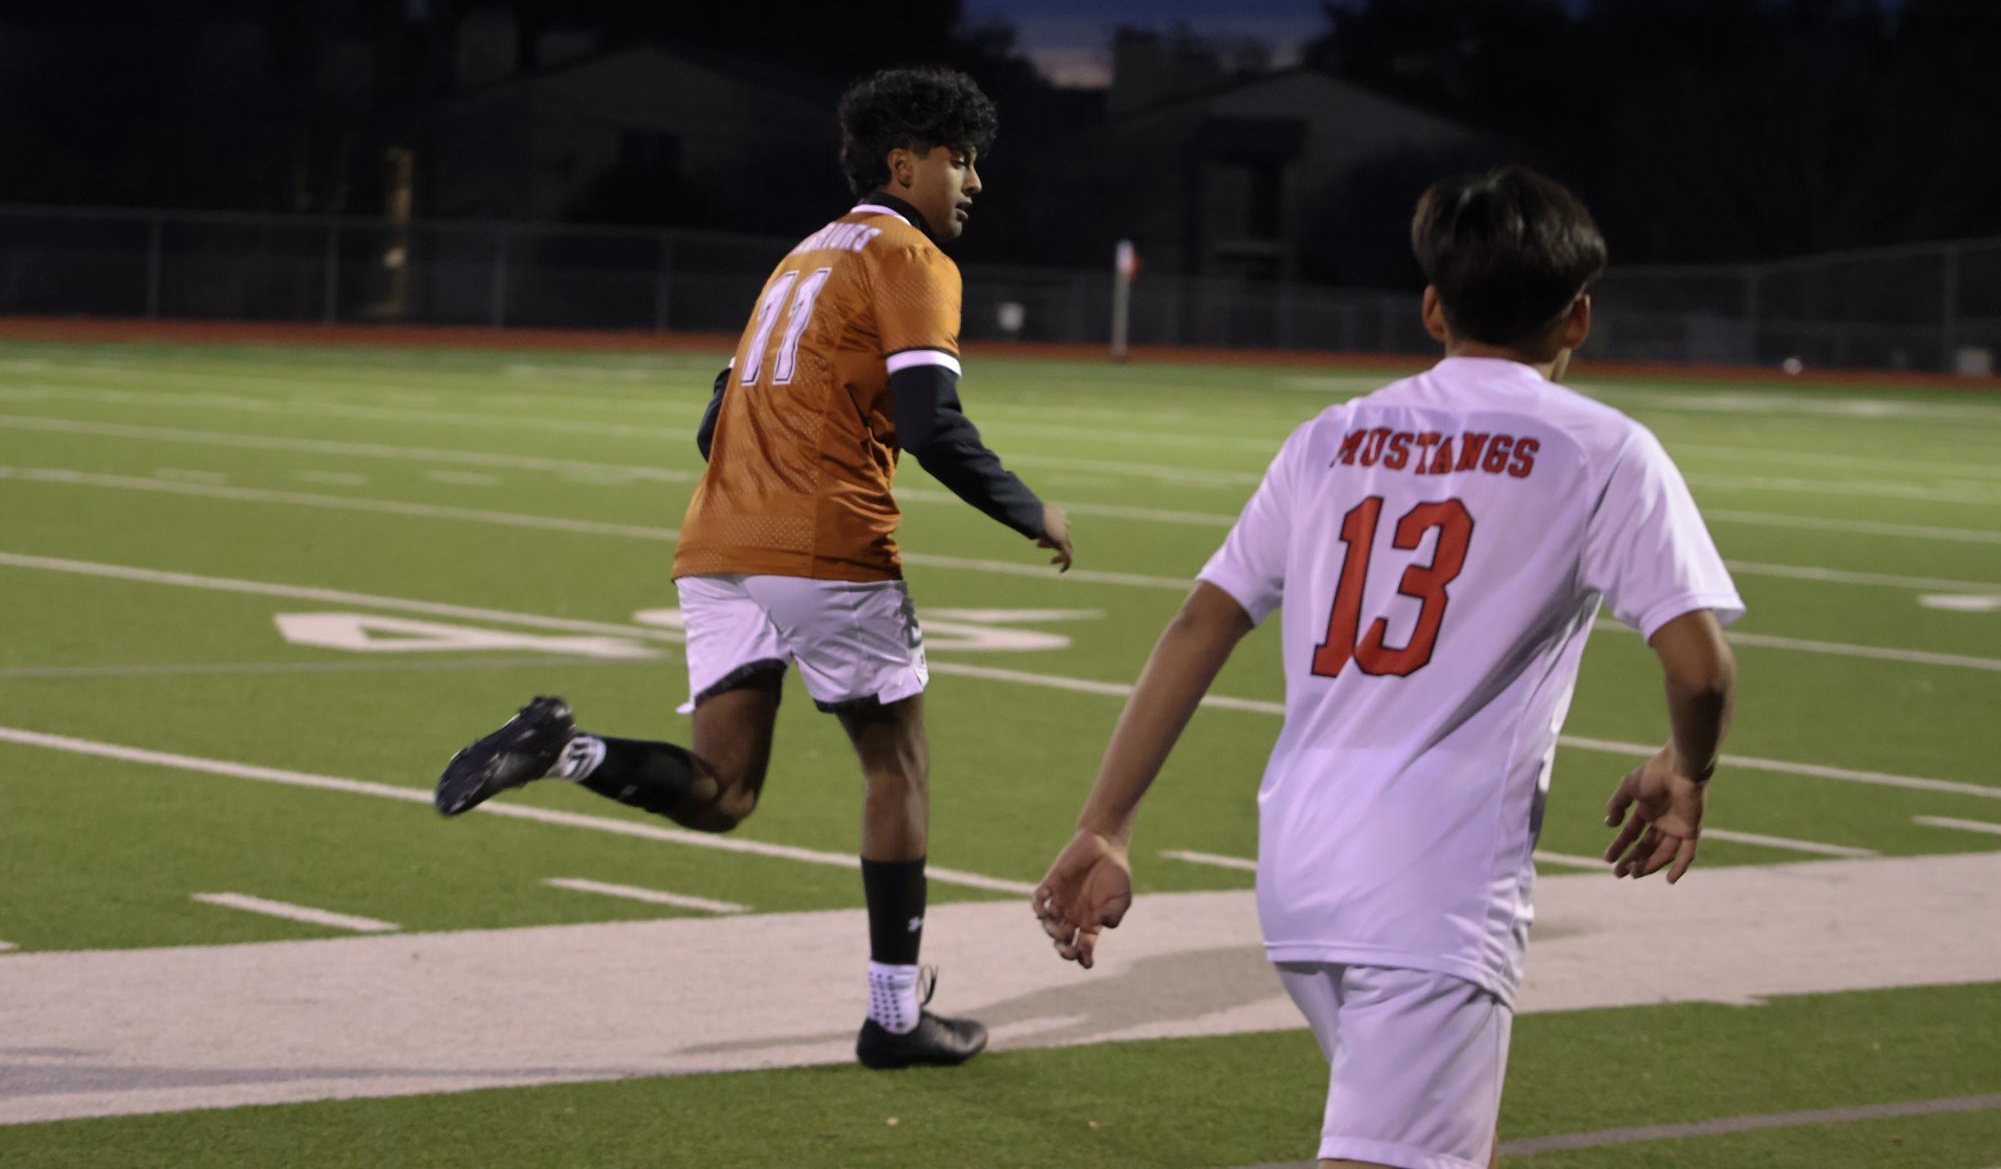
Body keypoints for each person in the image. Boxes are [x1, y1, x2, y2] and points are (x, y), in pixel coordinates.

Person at [1032, 166, 1741, 1169]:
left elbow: (1199, 624)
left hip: (1300, 870)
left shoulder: (1331, 436)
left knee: (1453, 1145)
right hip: (1432, 881)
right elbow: (1701, 669)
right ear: (1578, 318)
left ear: (1431, 306)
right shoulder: (1604, 451)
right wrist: (1687, 766)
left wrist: (1105, 820)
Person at [435, 66, 1073, 1070]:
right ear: (905, 162)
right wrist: (1026, 505)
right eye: (961, 158)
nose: (975, 181)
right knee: (894, 765)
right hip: (823, 543)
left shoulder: (800, 258)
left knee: (727, 792)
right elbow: (930, 421)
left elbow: (711, 421)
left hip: (719, 544)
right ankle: (895, 1014)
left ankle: (565, 750)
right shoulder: (910, 254)